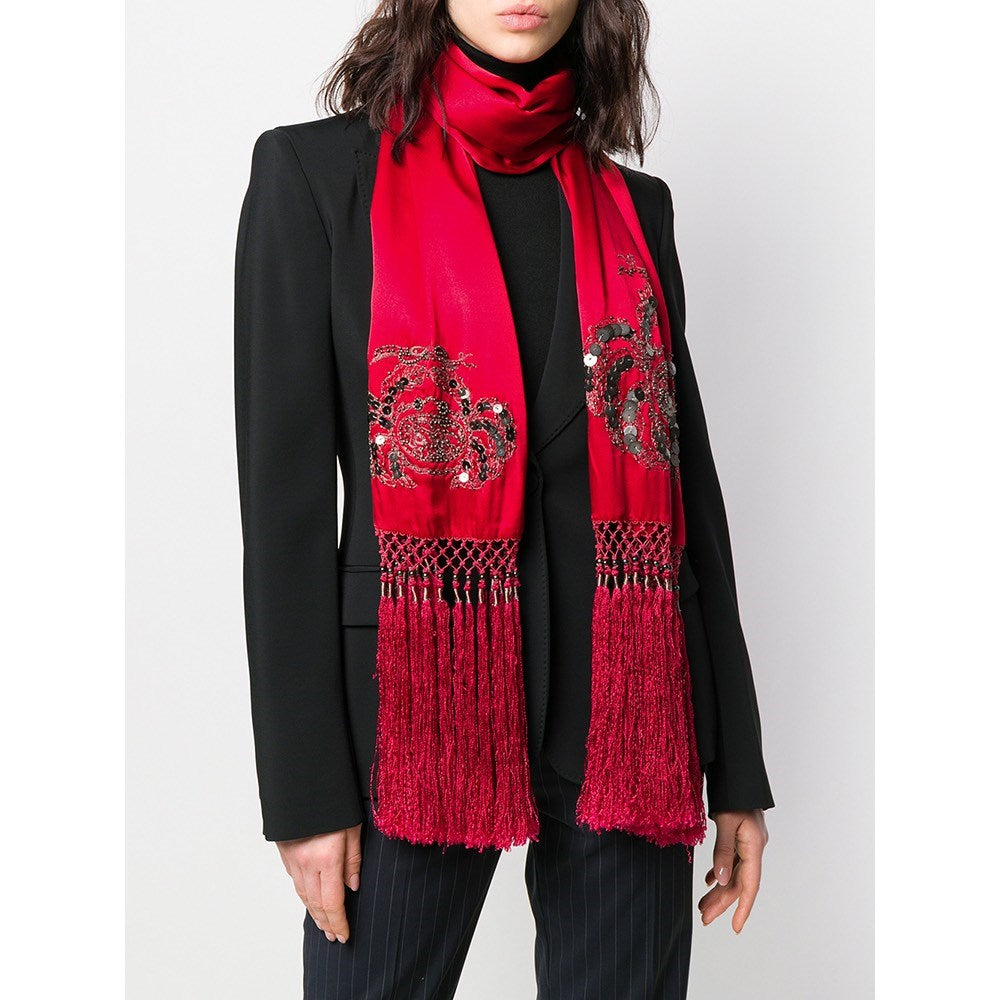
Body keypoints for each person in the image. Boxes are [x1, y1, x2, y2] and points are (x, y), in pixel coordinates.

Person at [234, 2, 774, 997]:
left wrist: (733, 764)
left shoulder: (634, 208)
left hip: (630, 719)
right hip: (410, 719)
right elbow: (284, 514)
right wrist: (304, 795)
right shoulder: (313, 176)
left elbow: (690, 493)